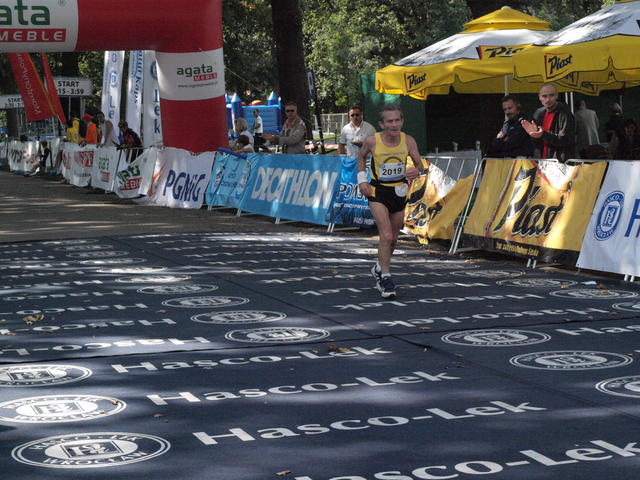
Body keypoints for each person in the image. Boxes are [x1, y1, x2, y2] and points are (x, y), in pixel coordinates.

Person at [358, 104, 426, 298]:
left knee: (393, 239)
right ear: (382, 124)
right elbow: (361, 157)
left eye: (397, 120)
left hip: (399, 192)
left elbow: (420, 165)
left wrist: (416, 170)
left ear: (402, 121)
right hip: (378, 192)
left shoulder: (408, 141)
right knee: (386, 235)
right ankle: (385, 278)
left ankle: (380, 267)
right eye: (389, 121)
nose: (394, 124)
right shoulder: (372, 140)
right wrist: (362, 181)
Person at [521, 83, 575, 162]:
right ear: (540, 97)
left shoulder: (565, 113)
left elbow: (566, 140)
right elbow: (538, 144)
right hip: (545, 162)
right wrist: (535, 135)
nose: (548, 99)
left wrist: (543, 134)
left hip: (560, 163)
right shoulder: (540, 114)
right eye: (544, 96)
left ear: (556, 96)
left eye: (551, 95)